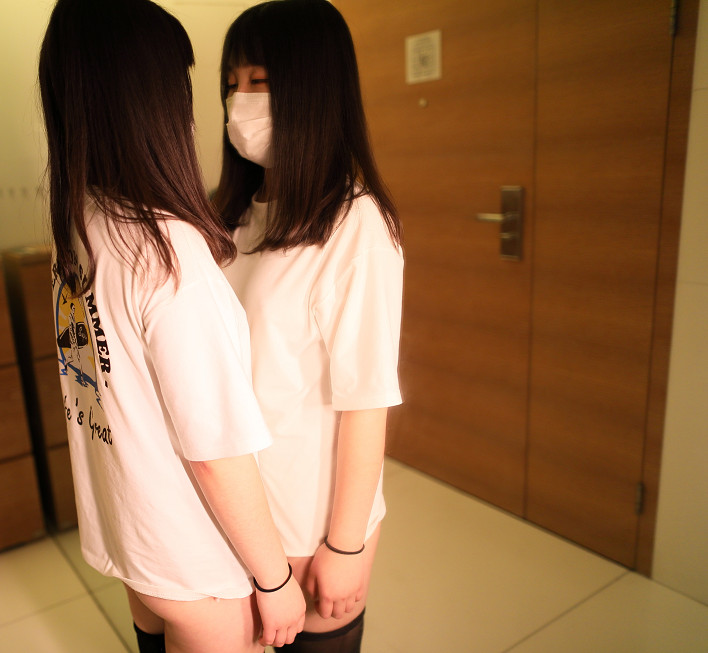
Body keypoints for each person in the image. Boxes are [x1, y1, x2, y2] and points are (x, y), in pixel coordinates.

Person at [37, 1, 306, 651]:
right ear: (153, 100)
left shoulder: (82, 222)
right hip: (196, 562)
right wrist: (275, 580)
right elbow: (214, 451)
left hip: (135, 542)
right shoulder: (168, 252)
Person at [215, 1, 404, 651]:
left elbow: (367, 400)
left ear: (313, 89)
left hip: (307, 517)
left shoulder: (355, 225)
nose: (239, 102)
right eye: (231, 84)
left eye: (260, 81)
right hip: (234, 513)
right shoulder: (228, 217)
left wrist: (344, 544)